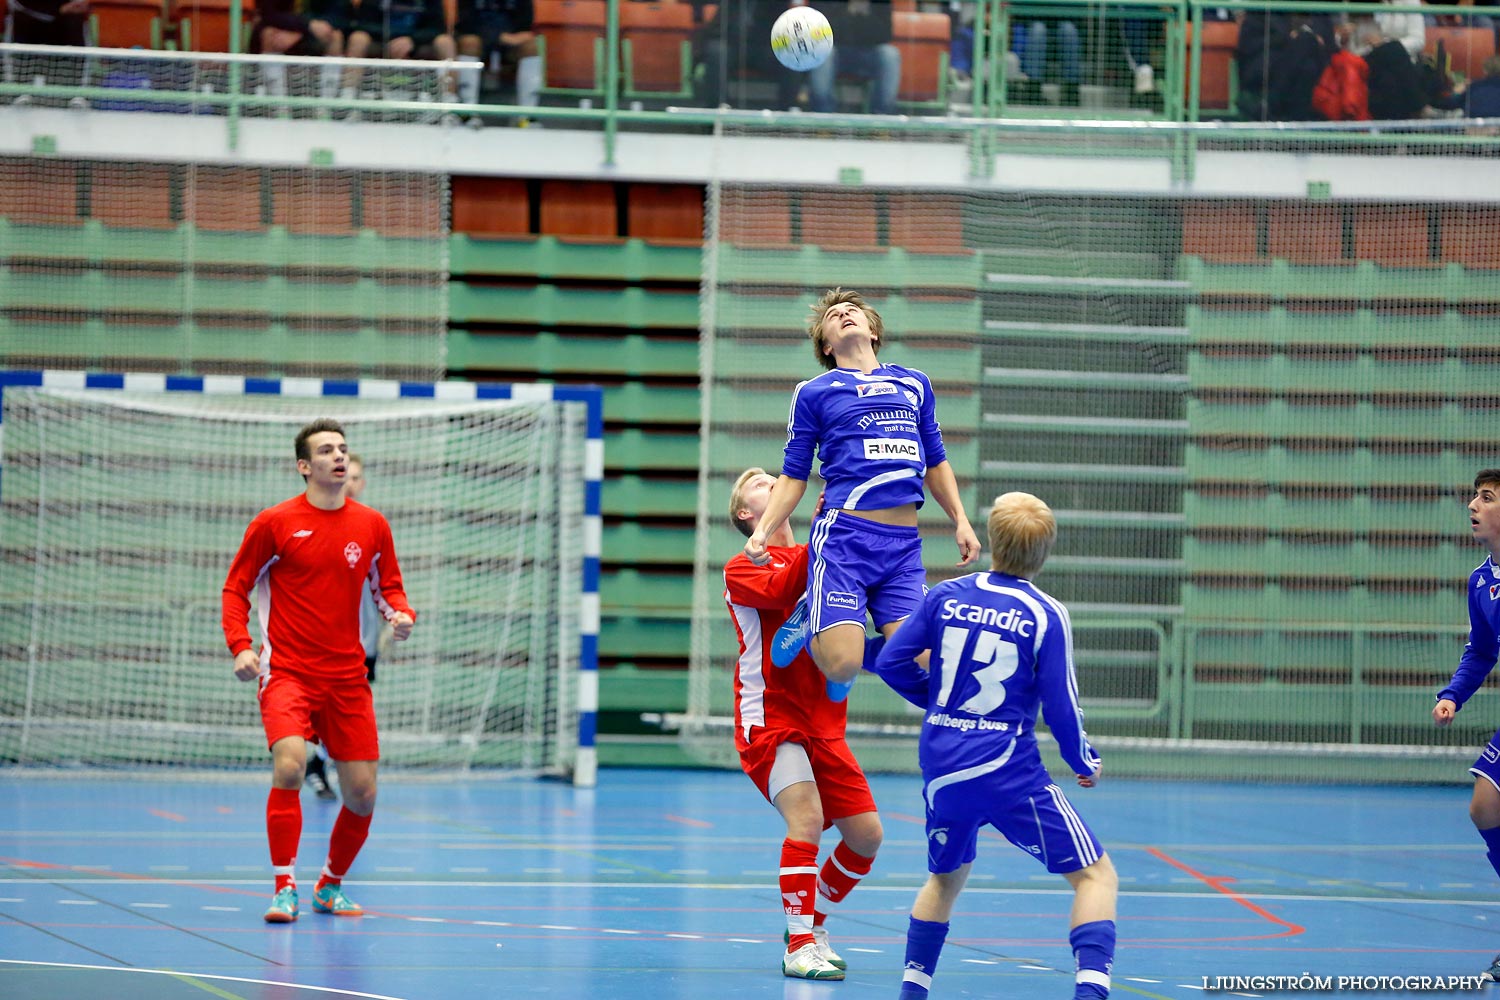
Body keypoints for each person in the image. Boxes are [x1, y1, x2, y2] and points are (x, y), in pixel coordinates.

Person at [870, 491, 1118, 1000]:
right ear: (1044, 553)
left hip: (942, 764)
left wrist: (941, 701)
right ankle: (1091, 993)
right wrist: (1082, 760)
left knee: (944, 879)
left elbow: (892, 661)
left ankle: (911, 994)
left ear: (992, 542)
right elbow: (1060, 704)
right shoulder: (1046, 614)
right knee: (1096, 876)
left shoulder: (945, 594)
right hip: (1007, 769)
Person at [221, 418, 416, 924]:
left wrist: (400, 613)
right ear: (304, 466)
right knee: (289, 764)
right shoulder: (274, 523)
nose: (339, 456)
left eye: (344, 449)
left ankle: (329, 886)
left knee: (363, 793)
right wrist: (242, 646)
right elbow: (235, 588)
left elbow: (387, 585)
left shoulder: (372, 525)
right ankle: (284, 886)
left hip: (347, 678)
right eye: (327, 449)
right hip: (287, 671)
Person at [743, 288, 980, 701]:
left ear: (873, 332)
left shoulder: (914, 383)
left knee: (928, 656)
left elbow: (937, 462)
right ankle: (819, 619)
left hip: (902, 549)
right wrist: (763, 529)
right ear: (826, 344)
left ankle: (850, 636)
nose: (846, 314)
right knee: (841, 664)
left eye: (854, 310)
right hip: (845, 540)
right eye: (835, 315)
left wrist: (960, 519)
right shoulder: (815, 392)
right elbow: (795, 474)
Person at [725, 467, 887, 981]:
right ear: (745, 514)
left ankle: (812, 920)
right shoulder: (742, 569)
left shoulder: (819, 558)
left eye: (774, 475)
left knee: (866, 838)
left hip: (825, 724)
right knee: (809, 820)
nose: (770, 479)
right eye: (755, 482)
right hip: (770, 720)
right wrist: (828, 526)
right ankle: (799, 945)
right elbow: (781, 590)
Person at [1432, 468, 1500, 982]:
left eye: (1487, 497)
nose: (1473, 505)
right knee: (1484, 805)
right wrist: (1453, 695)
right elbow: (1481, 650)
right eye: (1475, 496)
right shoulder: (1481, 581)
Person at [805, 0, 901, 115]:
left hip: (868, 52)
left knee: (890, 54)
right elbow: (821, 32)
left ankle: (881, 117)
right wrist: (848, 12)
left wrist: (865, 16)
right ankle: (823, 114)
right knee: (823, 51)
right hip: (835, 51)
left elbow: (885, 35)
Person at [451, 0, 540, 108]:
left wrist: (511, 36)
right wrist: (497, 36)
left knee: (529, 46)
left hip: (511, 40)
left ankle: (528, 115)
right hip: (478, 36)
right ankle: (466, 112)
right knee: (469, 43)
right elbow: (465, 23)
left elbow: (525, 22)